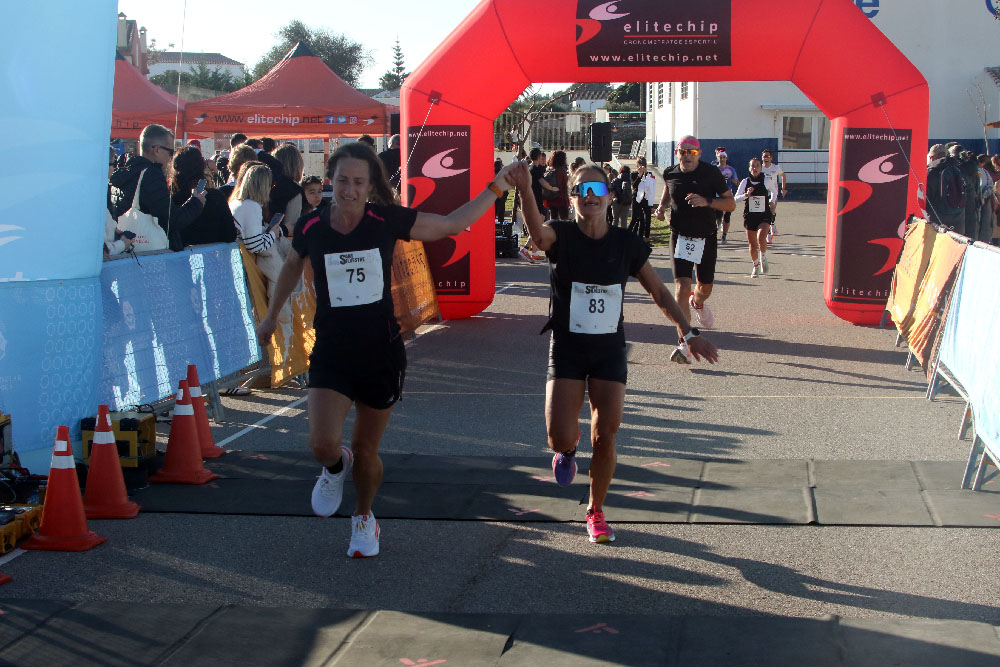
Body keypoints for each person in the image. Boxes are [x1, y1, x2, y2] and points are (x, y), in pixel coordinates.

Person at [255, 143, 526, 558]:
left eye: (358, 182)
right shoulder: (311, 226)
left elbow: (450, 225)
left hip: (380, 352)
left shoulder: (385, 219)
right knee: (322, 445)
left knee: (367, 450)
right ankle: (334, 467)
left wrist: (497, 187)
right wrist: (271, 316)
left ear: (370, 186)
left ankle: (364, 517)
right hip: (332, 351)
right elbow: (292, 266)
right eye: (342, 181)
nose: (349, 190)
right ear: (330, 181)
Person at [511, 161, 718, 544]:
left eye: (597, 190)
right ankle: (567, 451)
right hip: (568, 349)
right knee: (559, 437)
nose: (590, 197)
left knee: (605, 435)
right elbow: (537, 238)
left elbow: (660, 292)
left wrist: (688, 333)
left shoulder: (626, 243)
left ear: (609, 196)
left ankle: (596, 511)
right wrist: (525, 186)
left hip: (608, 350)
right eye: (582, 190)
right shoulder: (560, 234)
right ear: (572, 197)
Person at [654, 136, 736, 362]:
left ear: (699, 154)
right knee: (681, 287)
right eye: (683, 151)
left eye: (692, 152)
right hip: (680, 237)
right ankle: (685, 342)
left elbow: (730, 204)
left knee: (705, 287)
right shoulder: (670, 173)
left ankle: (697, 302)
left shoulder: (711, 173)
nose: (687, 156)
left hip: (706, 237)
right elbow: (669, 191)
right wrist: (661, 208)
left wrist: (707, 201)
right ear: (677, 153)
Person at [108, 123, 205, 252]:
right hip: (151, 254)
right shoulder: (151, 175)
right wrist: (196, 202)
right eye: (171, 152)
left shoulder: (124, 171)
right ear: (157, 149)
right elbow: (172, 219)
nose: (171, 157)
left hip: (126, 251)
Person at [171, 146, 238, 247]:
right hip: (213, 254)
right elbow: (230, 234)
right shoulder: (215, 197)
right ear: (202, 166)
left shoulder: (170, 198)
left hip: (181, 254)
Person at [733, 158, 775, 277]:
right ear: (749, 168)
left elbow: (774, 191)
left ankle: (763, 257)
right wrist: (746, 195)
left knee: (761, 237)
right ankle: (755, 265)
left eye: (757, 166)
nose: (755, 168)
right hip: (750, 216)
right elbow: (735, 199)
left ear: (761, 168)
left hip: (764, 215)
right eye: (752, 166)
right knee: (752, 244)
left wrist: (772, 201)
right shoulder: (745, 182)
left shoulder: (766, 180)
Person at [924, 144, 966, 232]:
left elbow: (925, 198)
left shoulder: (931, 172)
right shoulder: (958, 169)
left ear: (931, 158)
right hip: (959, 219)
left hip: (938, 221)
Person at [760, 149, 786, 242]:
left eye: (767, 156)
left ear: (771, 158)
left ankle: (772, 224)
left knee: (772, 208)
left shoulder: (776, 168)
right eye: (764, 156)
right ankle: (768, 233)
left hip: (773, 192)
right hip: (763, 192)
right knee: (764, 212)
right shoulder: (760, 168)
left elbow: (783, 175)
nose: (766, 158)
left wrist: (783, 188)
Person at [629, 159, 655, 244]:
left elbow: (651, 188)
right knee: (635, 218)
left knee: (646, 219)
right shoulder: (633, 174)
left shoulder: (649, 175)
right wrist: (639, 175)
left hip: (646, 198)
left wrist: (646, 173)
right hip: (636, 198)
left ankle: (643, 238)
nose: (641, 167)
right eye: (639, 165)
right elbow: (634, 186)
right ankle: (627, 236)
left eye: (643, 165)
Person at [715, 152, 739, 243]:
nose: (722, 159)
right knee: (718, 214)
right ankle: (718, 224)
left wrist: (740, 185)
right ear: (717, 158)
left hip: (728, 195)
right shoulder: (715, 169)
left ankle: (724, 235)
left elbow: (735, 180)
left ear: (726, 158)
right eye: (720, 157)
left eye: (723, 157)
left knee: (727, 216)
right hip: (717, 195)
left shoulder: (730, 169)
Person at [544, 150, 571, 222]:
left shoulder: (550, 170)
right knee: (564, 220)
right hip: (561, 198)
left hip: (552, 198)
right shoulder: (562, 171)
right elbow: (564, 185)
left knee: (553, 220)